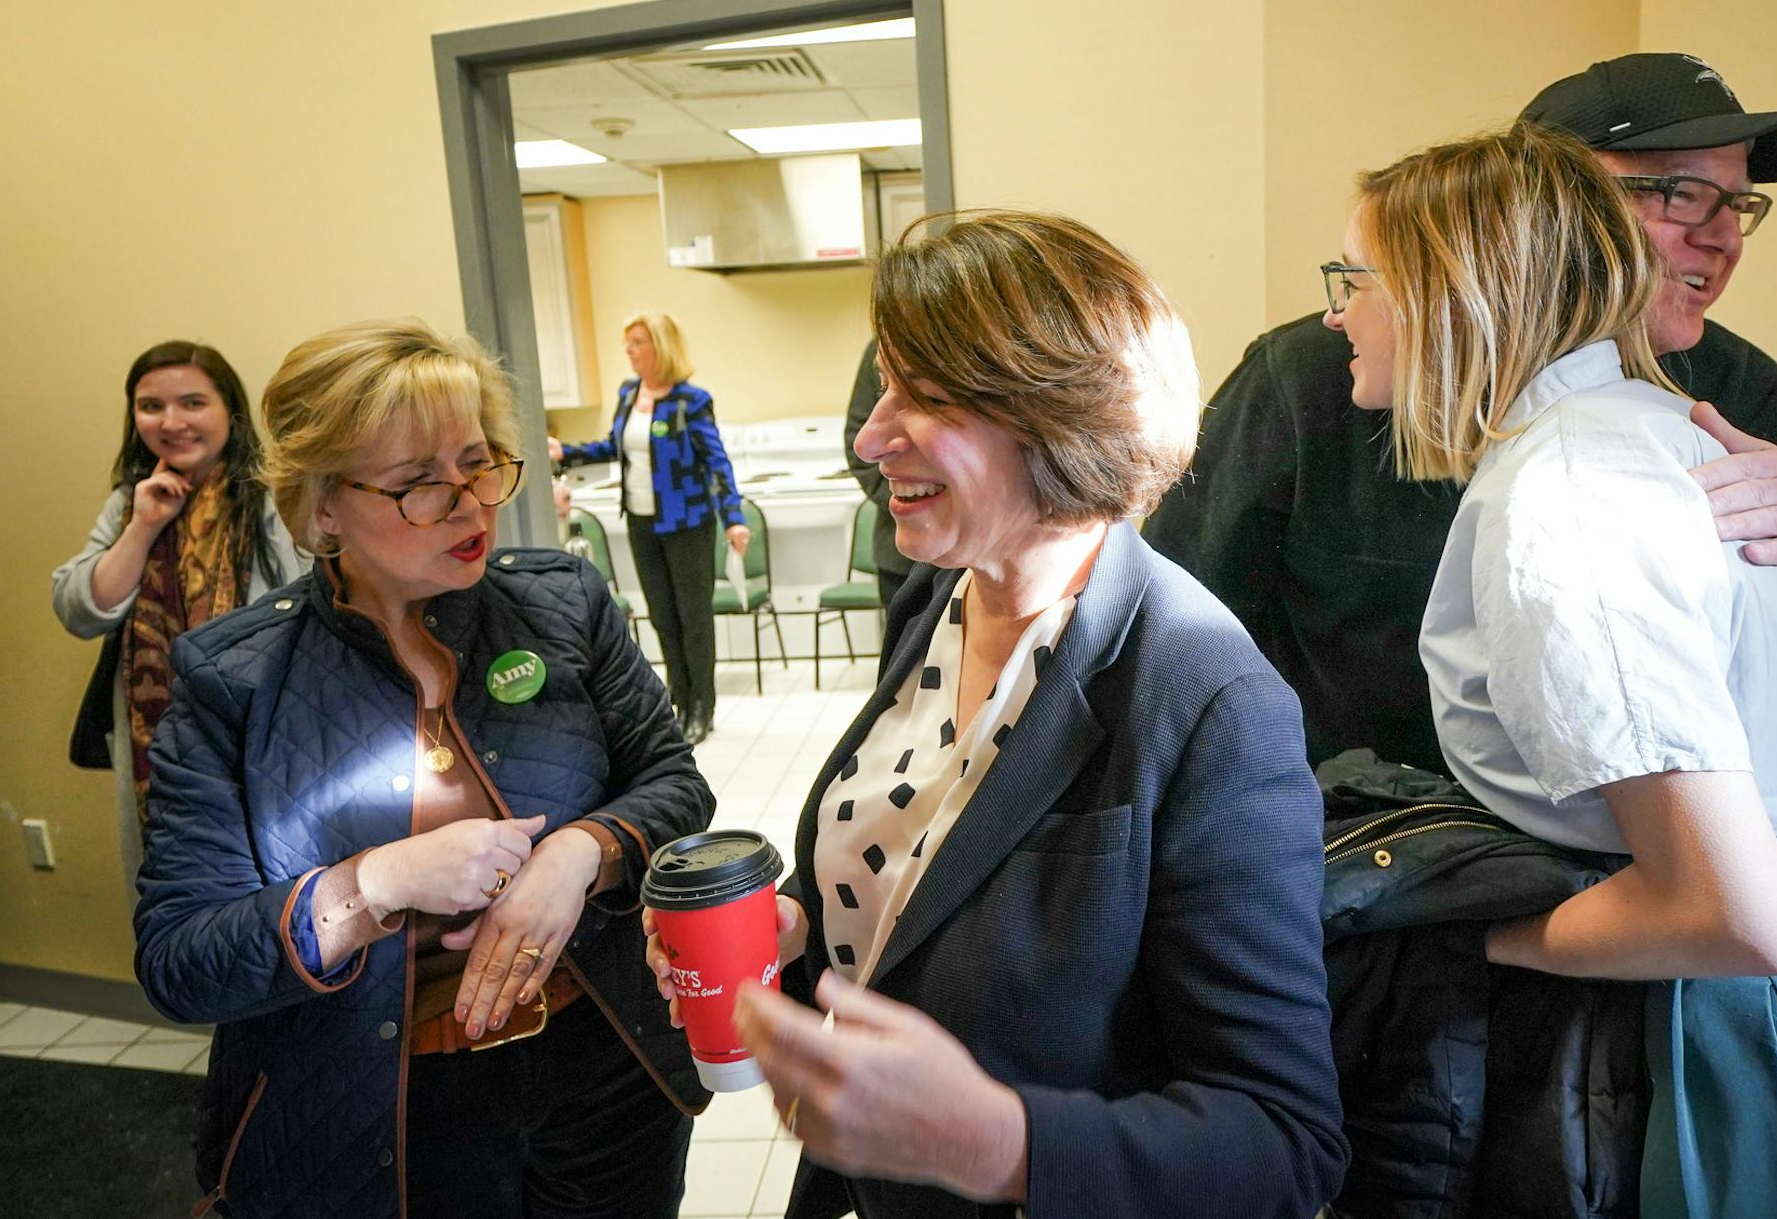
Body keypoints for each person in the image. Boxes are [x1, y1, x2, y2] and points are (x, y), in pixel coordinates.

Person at [1332, 124, 1777, 1216]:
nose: (1338, 313)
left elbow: (1733, 913)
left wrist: (1459, 941)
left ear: (1456, 293)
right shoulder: (1641, 430)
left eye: (1357, 280)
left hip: (1718, 1031)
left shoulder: (1570, 493)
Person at [650, 214, 1348, 1219]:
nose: (870, 435)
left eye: (924, 397)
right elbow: (926, 868)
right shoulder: (939, 602)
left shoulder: (1206, 702)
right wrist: (795, 930)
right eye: (884, 385)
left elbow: (1284, 1141)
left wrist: (999, 1142)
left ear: (1060, 421)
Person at [1145, 52, 1777, 770]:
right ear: (1539, 205)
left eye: (1738, 203)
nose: (1725, 237)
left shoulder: (1733, 392)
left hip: (1637, 895)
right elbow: (1173, 648)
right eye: (1681, 195)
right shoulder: (1327, 376)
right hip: (1352, 880)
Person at [133, 319, 714, 1219]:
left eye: (480, 464)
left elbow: (674, 785)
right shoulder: (231, 679)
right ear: (322, 507)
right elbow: (181, 960)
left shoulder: (561, 602)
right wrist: (377, 884)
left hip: (607, 1072)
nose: (472, 506)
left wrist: (578, 857)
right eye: (416, 487)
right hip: (385, 1108)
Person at [52, 340, 304, 890]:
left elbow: (303, 613)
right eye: (151, 406)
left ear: (230, 412)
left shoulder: (275, 496)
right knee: (170, 890)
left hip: (263, 737)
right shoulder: (128, 502)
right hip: (158, 745)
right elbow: (78, 609)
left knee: (268, 893)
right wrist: (143, 525)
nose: (172, 422)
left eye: (193, 403)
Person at [550, 313, 746, 746]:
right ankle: (679, 700)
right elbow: (612, 447)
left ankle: (702, 707)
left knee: (693, 618)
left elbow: (717, 462)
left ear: (660, 346)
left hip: (688, 523)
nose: (629, 351)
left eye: (637, 342)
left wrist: (733, 517)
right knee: (661, 616)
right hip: (641, 521)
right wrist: (568, 451)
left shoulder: (690, 401)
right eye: (628, 343)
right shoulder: (628, 394)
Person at [843, 337, 915, 609]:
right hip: (901, 563)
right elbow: (857, 444)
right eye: (885, 386)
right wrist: (909, 498)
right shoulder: (880, 349)